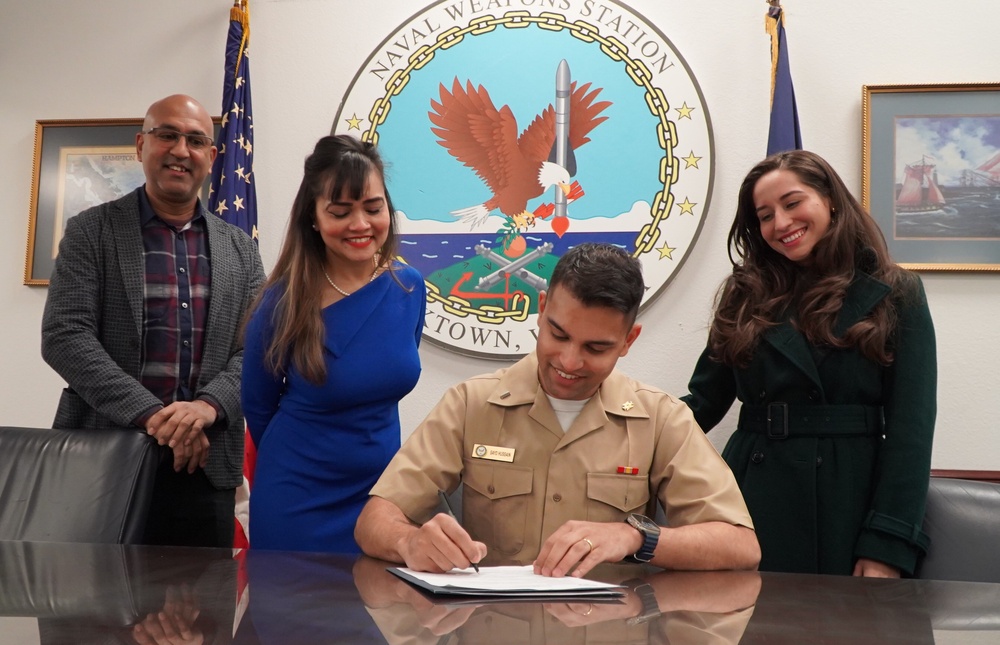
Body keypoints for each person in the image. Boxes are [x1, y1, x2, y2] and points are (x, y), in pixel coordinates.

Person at [355, 243, 759, 577]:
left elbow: (740, 545)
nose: (568, 361)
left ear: (628, 340)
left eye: (595, 348)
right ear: (542, 308)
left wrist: (636, 537)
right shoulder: (470, 404)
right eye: (558, 334)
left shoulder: (661, 419)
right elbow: (375, 520)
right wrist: (411, 542)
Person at [682, 150, 937, 577]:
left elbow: (911, 429)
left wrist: (887, 545)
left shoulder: (897, 291)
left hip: (849, 500)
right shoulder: (743, 293)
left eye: (792, 202)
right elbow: (702, 403)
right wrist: (625, 433)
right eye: (764, 215)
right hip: (754, 495)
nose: (780, 223)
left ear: (831, 199)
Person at [41, 94, 266, 548]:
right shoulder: (90, 231)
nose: (181, 150)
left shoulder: (241, 249)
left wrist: (206, 408)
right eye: (167, 135)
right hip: (102, 464)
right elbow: (66, 336)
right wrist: (156, 417)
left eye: (196, 140)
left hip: (207, 465)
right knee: (90, 612)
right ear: (141, 145)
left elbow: (258, 351)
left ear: (212, 156)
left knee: (199, 613)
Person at [241, 135, 425, 553]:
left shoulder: (409, 287)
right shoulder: (282, 303)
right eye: (340, 212)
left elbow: (388, 375)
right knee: (296, 615)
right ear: (314, 218)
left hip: (380, 499)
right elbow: (257, 405)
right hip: (298, 500)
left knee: (371, 616)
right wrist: (313, 456)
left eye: (373, 208)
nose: (360, 224)